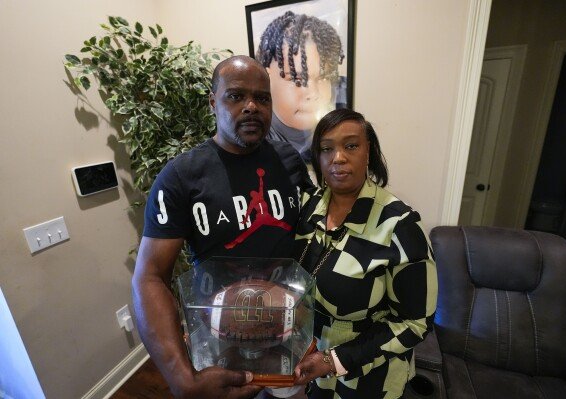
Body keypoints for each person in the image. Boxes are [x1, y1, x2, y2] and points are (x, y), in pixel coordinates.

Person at [132, 55, 312, 399]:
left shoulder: (288, 161)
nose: (251, 107)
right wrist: (179, 376)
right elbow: (150, 276)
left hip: (287, 330)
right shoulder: (181, 176)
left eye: (262, 98)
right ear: (213, 101)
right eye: (235, 96)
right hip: (221, 336)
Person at [292, 109, 438, 398]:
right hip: (312, 363)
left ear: (368, 151)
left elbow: (416, 322)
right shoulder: (308, 207)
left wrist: (333, 360)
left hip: (370, 376)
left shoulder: (400, 224)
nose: (338, 158)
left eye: (351, 146)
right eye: (326, 149)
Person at [256, 10, 345, 161]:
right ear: (267, 77)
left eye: (323, 78)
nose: (313, 93)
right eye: (297, 79)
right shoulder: (253, 136)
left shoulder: (343, 106)